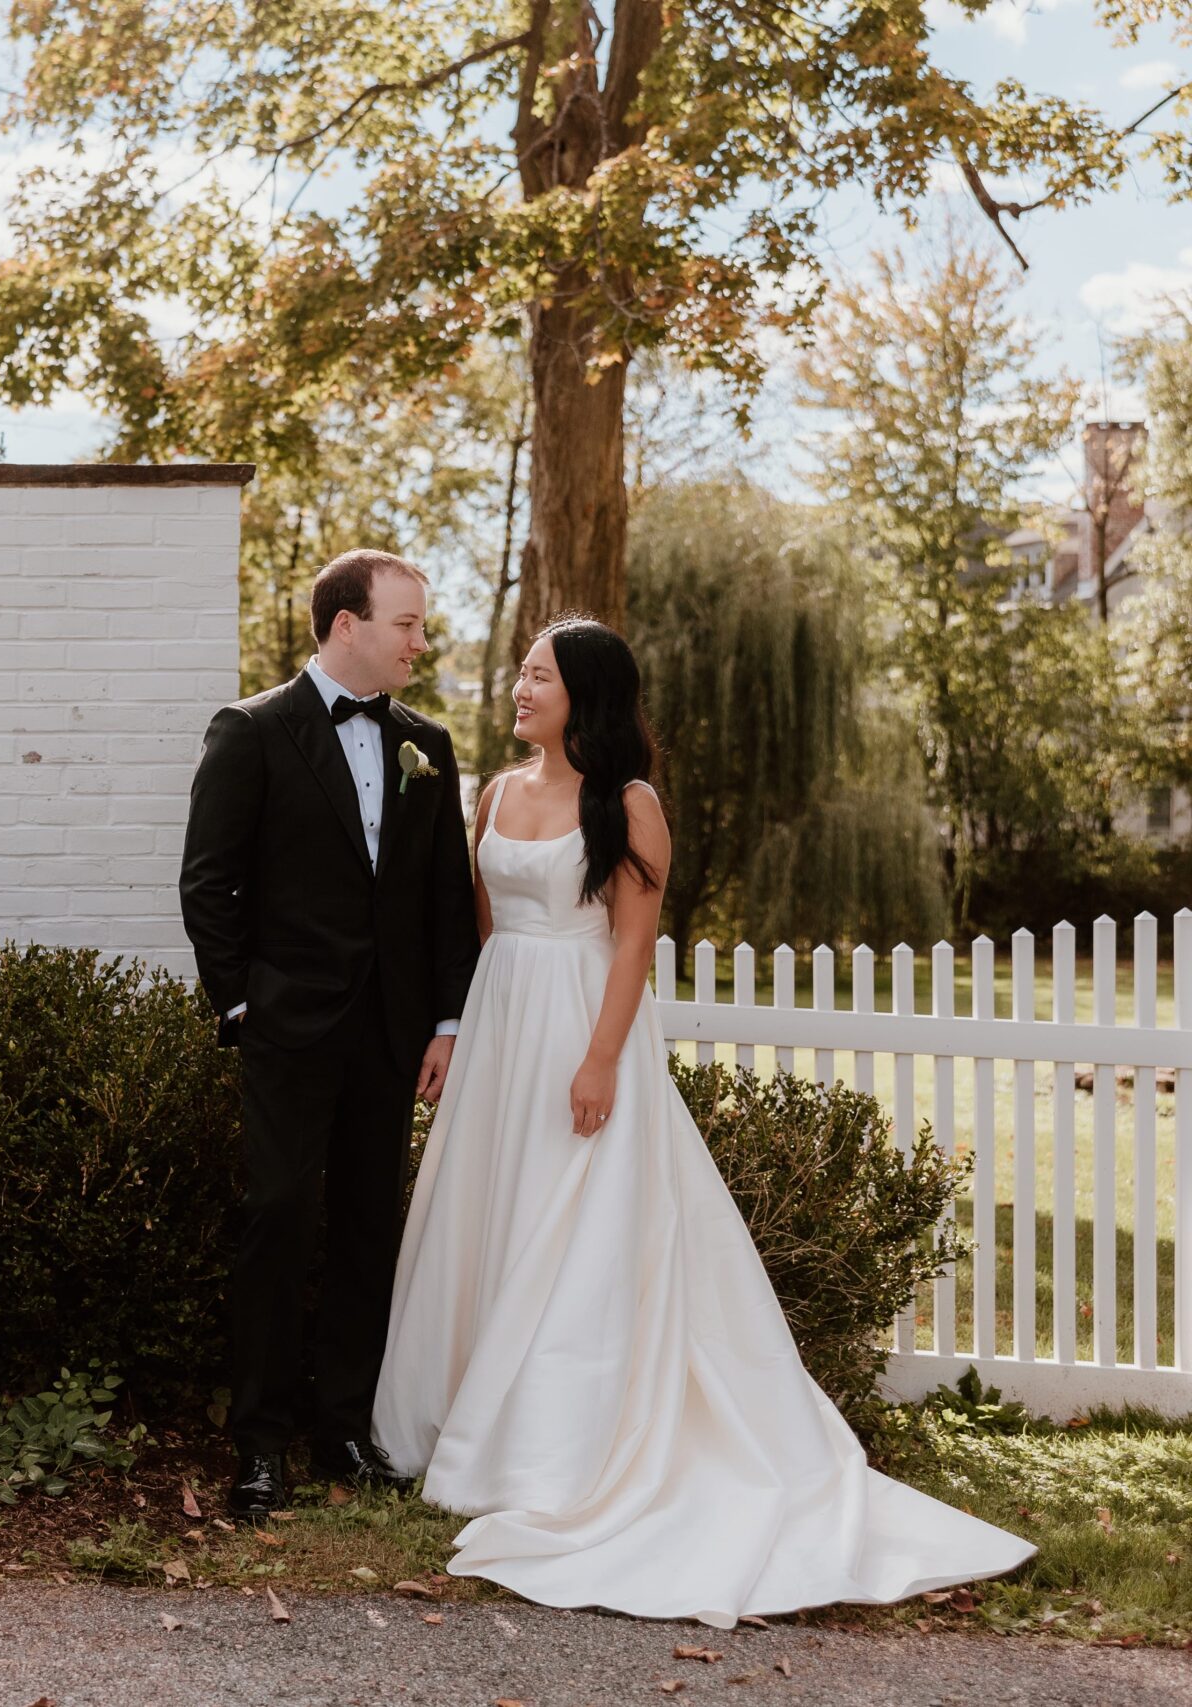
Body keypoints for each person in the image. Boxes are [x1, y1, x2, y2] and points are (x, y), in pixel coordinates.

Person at [371, 614, 1034, 1628]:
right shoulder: (498, 793)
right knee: (487, 1210)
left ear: (583, 694)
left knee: (573, 1221)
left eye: (538, 676)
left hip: (583, 1025)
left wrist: (597, 1061)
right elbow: (484, 925)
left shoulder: (628, 804)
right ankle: (461, 1414)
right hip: (503, 1022)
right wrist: (462, 1032)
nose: (519, 688)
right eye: (520, 674)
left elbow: (632, 947)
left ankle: (557, 1445)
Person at [178, 549, 482, 1521]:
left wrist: (445, 1020)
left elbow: (443, 900)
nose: (418, 642)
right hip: (289, 1031)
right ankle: (258, 1446)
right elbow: (207, 883)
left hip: (392, 1036)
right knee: (275, 1220)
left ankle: (343, 1430)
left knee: (366, 1229)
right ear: (345, 624)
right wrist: (238, 1006)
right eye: (405, 624)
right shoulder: (253, 732)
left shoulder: (429, 744)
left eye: (420, 625)